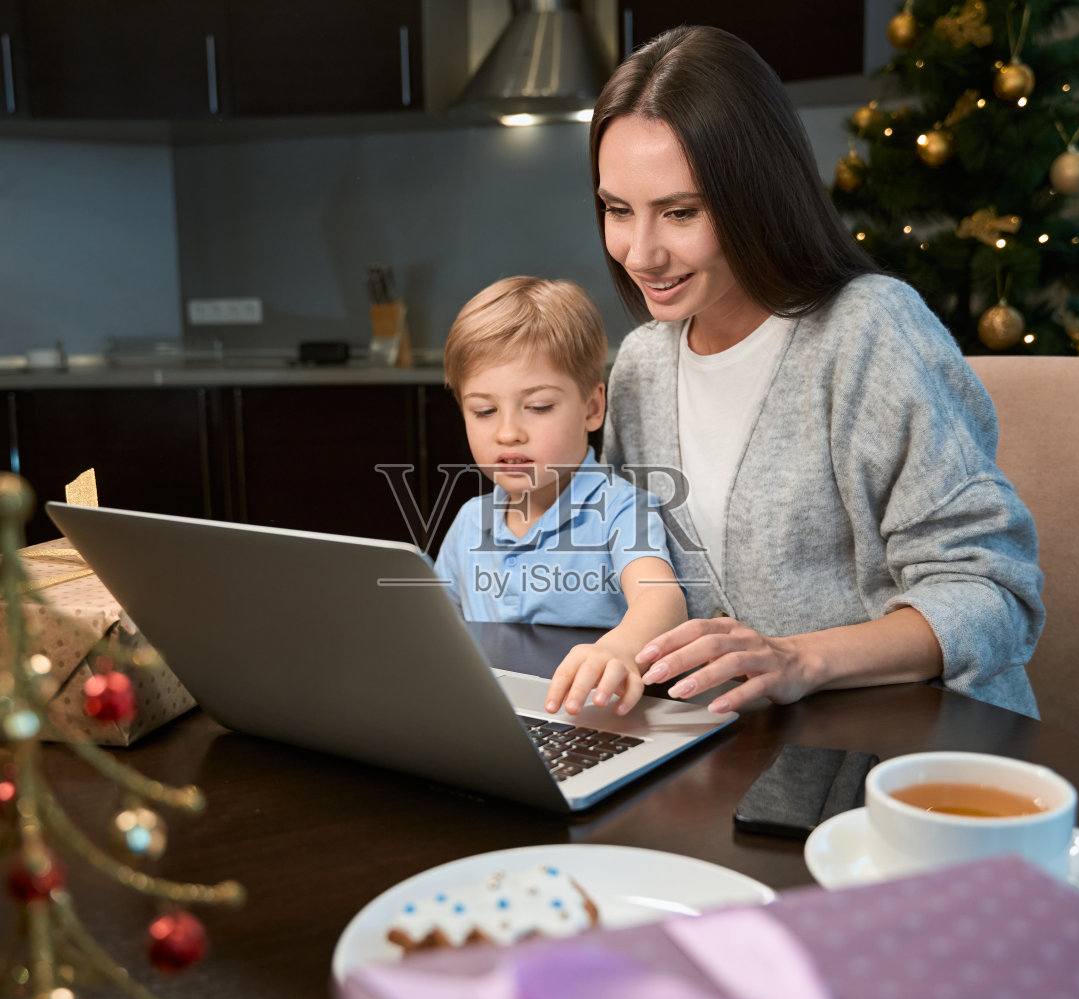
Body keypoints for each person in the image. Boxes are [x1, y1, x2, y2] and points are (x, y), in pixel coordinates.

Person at [589, 26, 1046, 717]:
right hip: (725, 755)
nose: (641, 252)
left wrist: (800, 658)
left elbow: (993, 595)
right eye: (617, 211)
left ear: (758, 195)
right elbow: (632, 572)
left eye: (680, 212)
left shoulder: (870, 332)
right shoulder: (642, 368)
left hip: (903, 755)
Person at [432, 276, 688, 716]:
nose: (508, 432)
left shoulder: (619, 509)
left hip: (594, 717)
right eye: (484, 411)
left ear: (592, 408)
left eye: (538, 407)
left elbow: (661, 600)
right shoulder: (470, 521)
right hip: (492, 720)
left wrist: (621, 649)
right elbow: (431, 629)